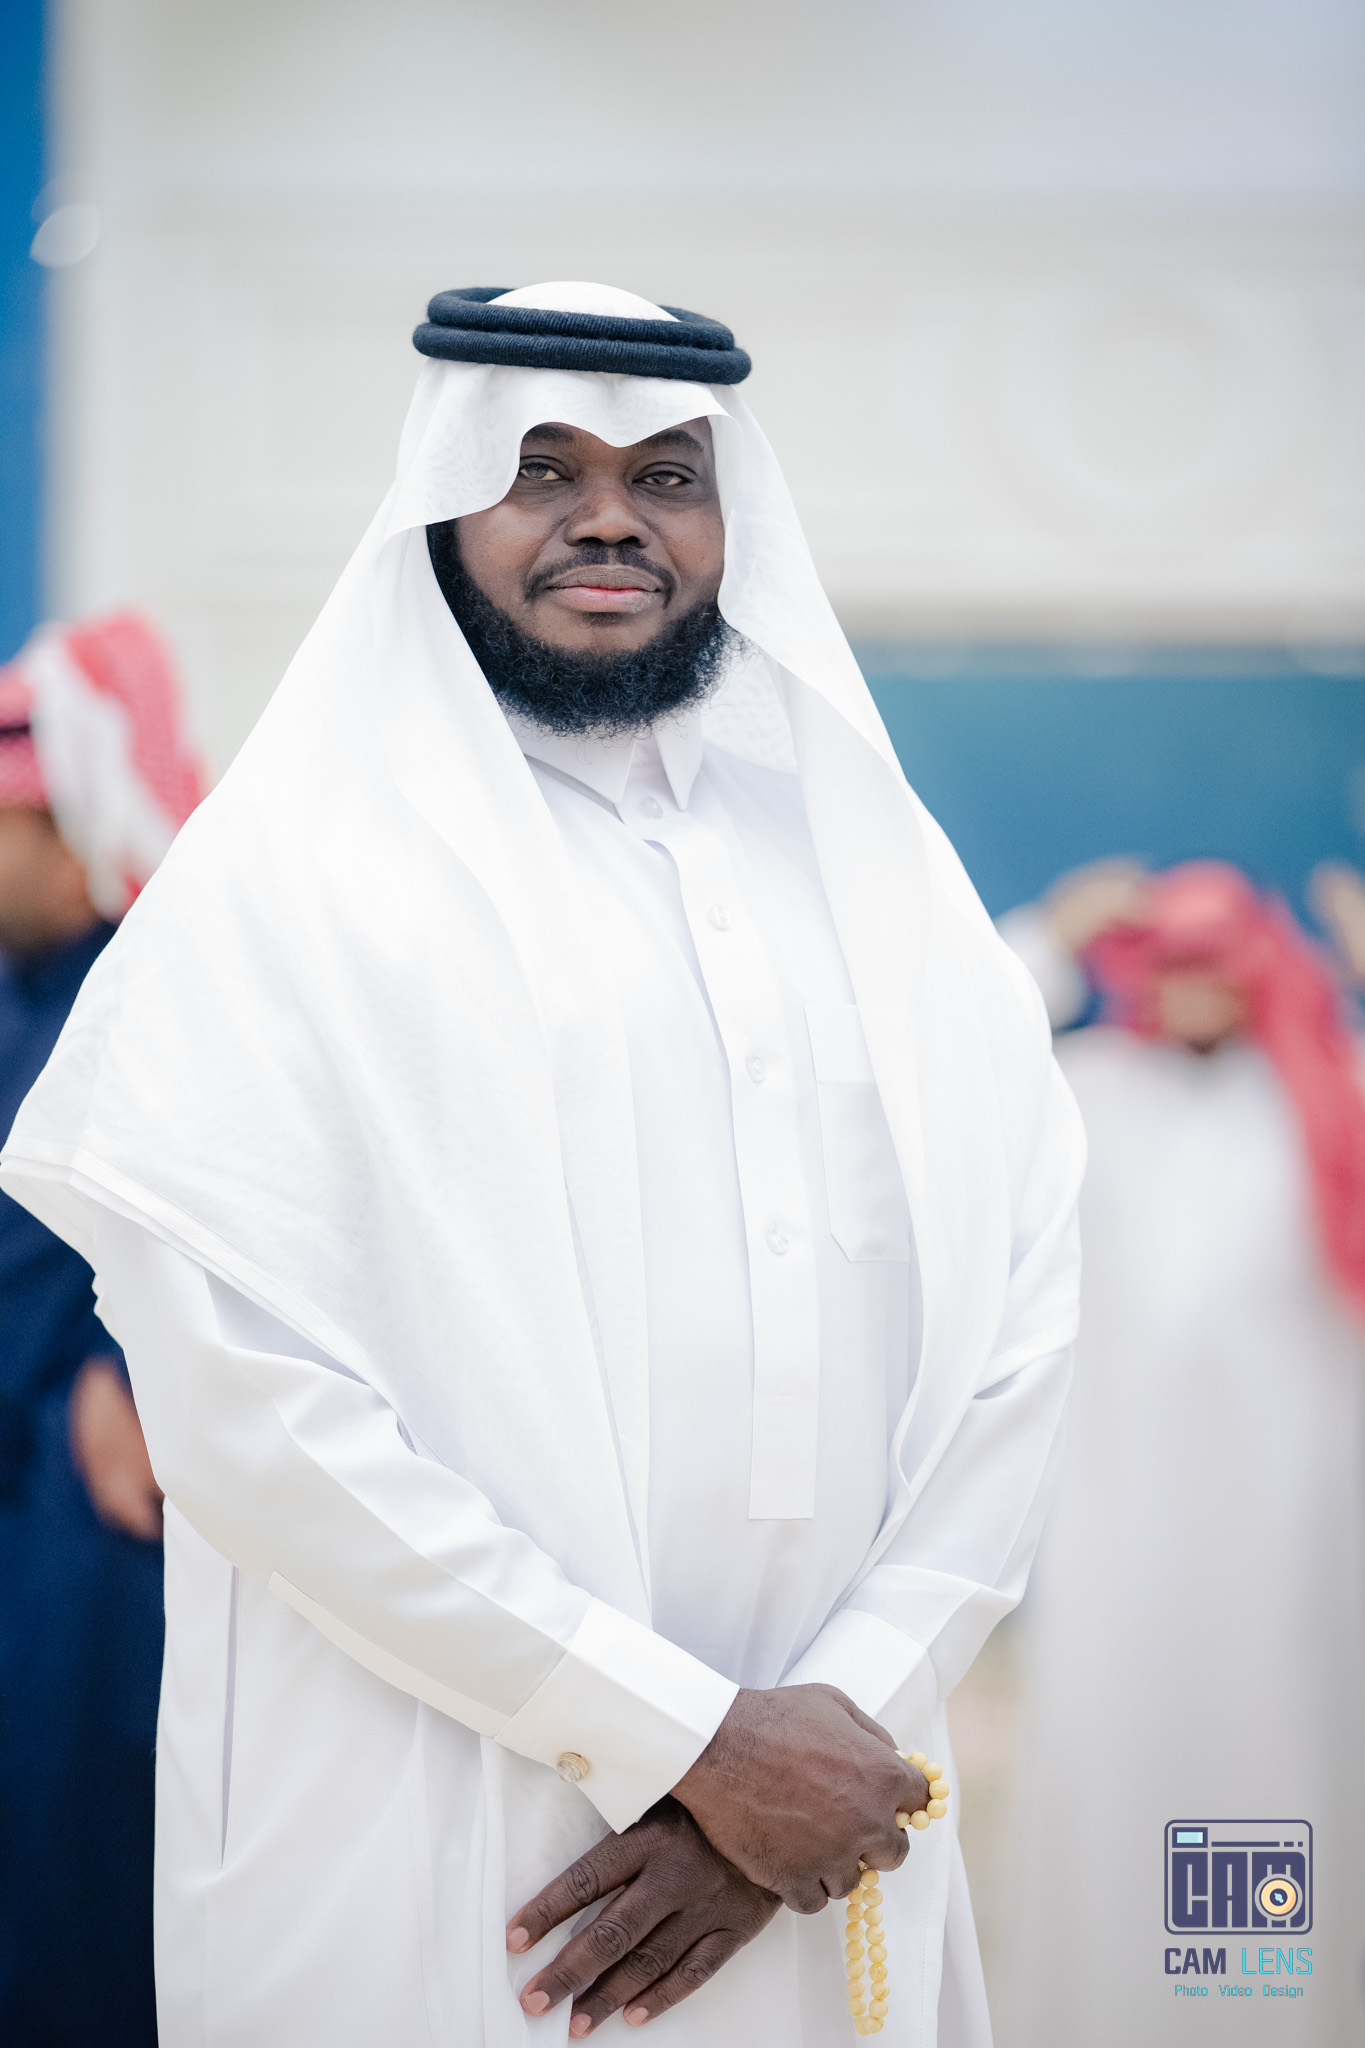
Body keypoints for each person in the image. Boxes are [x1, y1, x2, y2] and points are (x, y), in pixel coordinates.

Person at [1, 283, 1085, 2048]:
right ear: (441, 507)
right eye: (541, 469)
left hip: (836, 1801)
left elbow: (1020, 1325)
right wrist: (691, 1744)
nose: (608, 516)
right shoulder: (292, 884)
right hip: (428, 1807)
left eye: (666, 476)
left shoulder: (874, 877)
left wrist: (842, 1712)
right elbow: (248, 1407)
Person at [997, 860, 1365, 2048]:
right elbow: (943, 1059)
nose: (1198, 987)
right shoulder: (1085, 1094)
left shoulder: (1328, 1092)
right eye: (1175, 961)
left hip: (1289, 1561)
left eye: (1221, 961)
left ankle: (1255, 2014)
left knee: (1265, 1784)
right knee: (1124, 1785)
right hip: (1122, 1550)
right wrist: (1052, 935)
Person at [0, 612, 206, 2048]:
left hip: (95, 1553)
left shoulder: (167, 1000)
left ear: (76, 831)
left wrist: (119, 1358)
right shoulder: (20, 987)